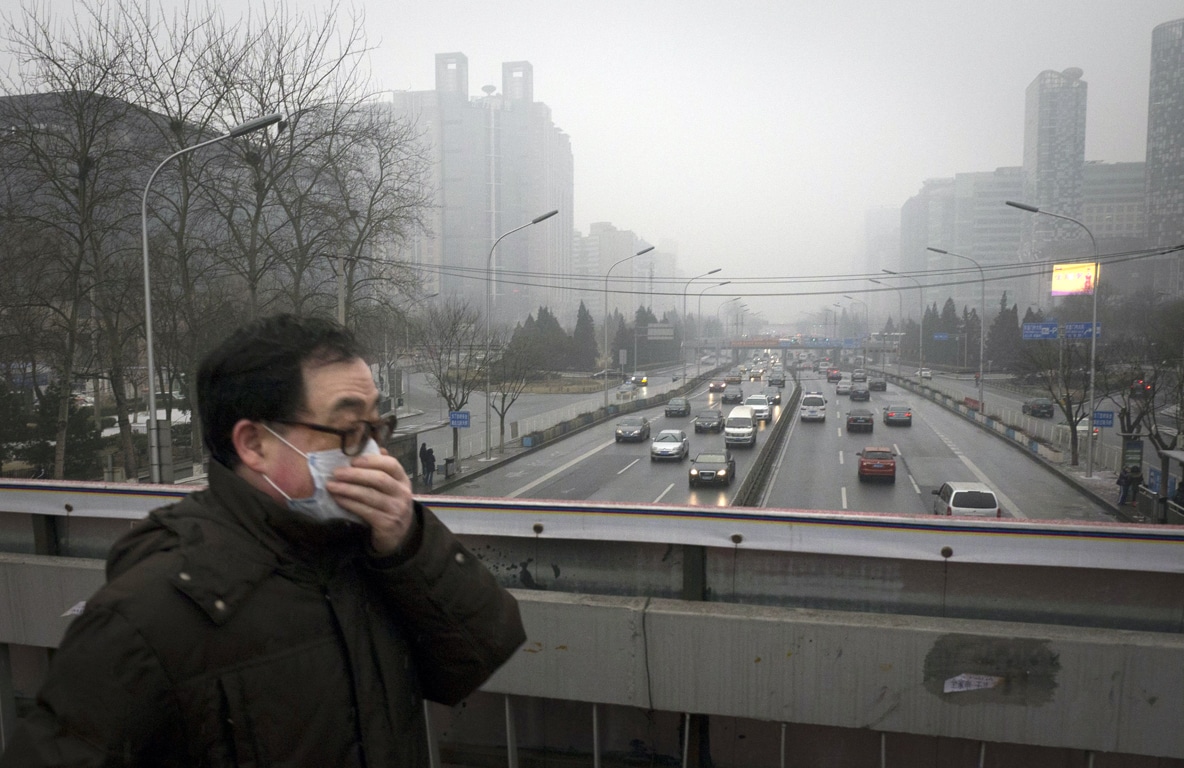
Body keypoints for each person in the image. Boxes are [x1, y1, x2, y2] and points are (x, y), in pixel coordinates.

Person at [0, 314, 525, 767]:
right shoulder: (148, 611)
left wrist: (408, 541)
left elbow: (479, 656)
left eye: (375, 428)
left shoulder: (370, 553)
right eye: (347, 431)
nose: (375, 457)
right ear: (254, 444)